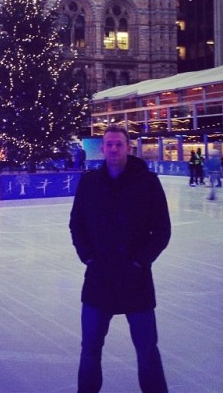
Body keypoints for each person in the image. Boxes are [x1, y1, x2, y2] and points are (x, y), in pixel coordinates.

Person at [69, 125, 171, 393]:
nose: (114, 148)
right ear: (102, 148)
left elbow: (161, 230)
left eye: (119, 144)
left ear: (128, 147)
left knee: (147, 351)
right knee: (90, 350)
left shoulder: (148, 183)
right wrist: (88, 258)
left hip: (136, 280)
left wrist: (140, 261)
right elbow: (76, 224)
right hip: (98, 280)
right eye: (109, 144)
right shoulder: (89, 182)